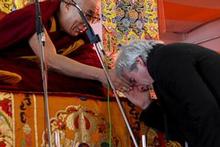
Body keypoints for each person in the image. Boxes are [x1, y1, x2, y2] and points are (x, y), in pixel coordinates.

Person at [0, 0, 124, 95]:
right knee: (12, 77)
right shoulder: (36, 14)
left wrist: (110, 76)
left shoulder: (78, 40)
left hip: (36, 73)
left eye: (94, 19)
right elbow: (49, 60)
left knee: (93, 85)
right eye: (87, 15)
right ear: (67, 5)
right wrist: (100, 74)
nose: (88, 24)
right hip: (9, 65)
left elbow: (91, 64)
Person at [115, 40, 220, 147]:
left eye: (133, 80)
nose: (139, 86)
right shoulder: (159, 70)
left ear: (139, 62)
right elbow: (181, 128)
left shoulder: (163, 60)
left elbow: (204, 109)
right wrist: (146, 104)